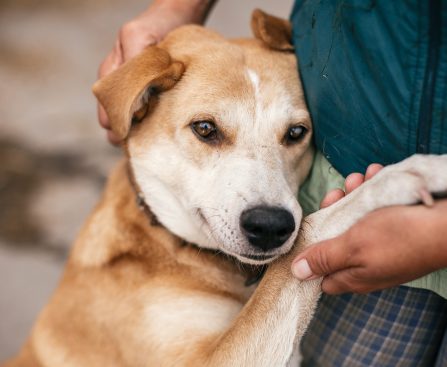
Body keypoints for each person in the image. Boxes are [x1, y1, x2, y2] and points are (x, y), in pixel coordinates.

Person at [96, 1, 447, 365]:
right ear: (141, 102)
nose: (265, 203)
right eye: (207, 130)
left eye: (293, 133)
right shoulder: (118, 274)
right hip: (372, 215)